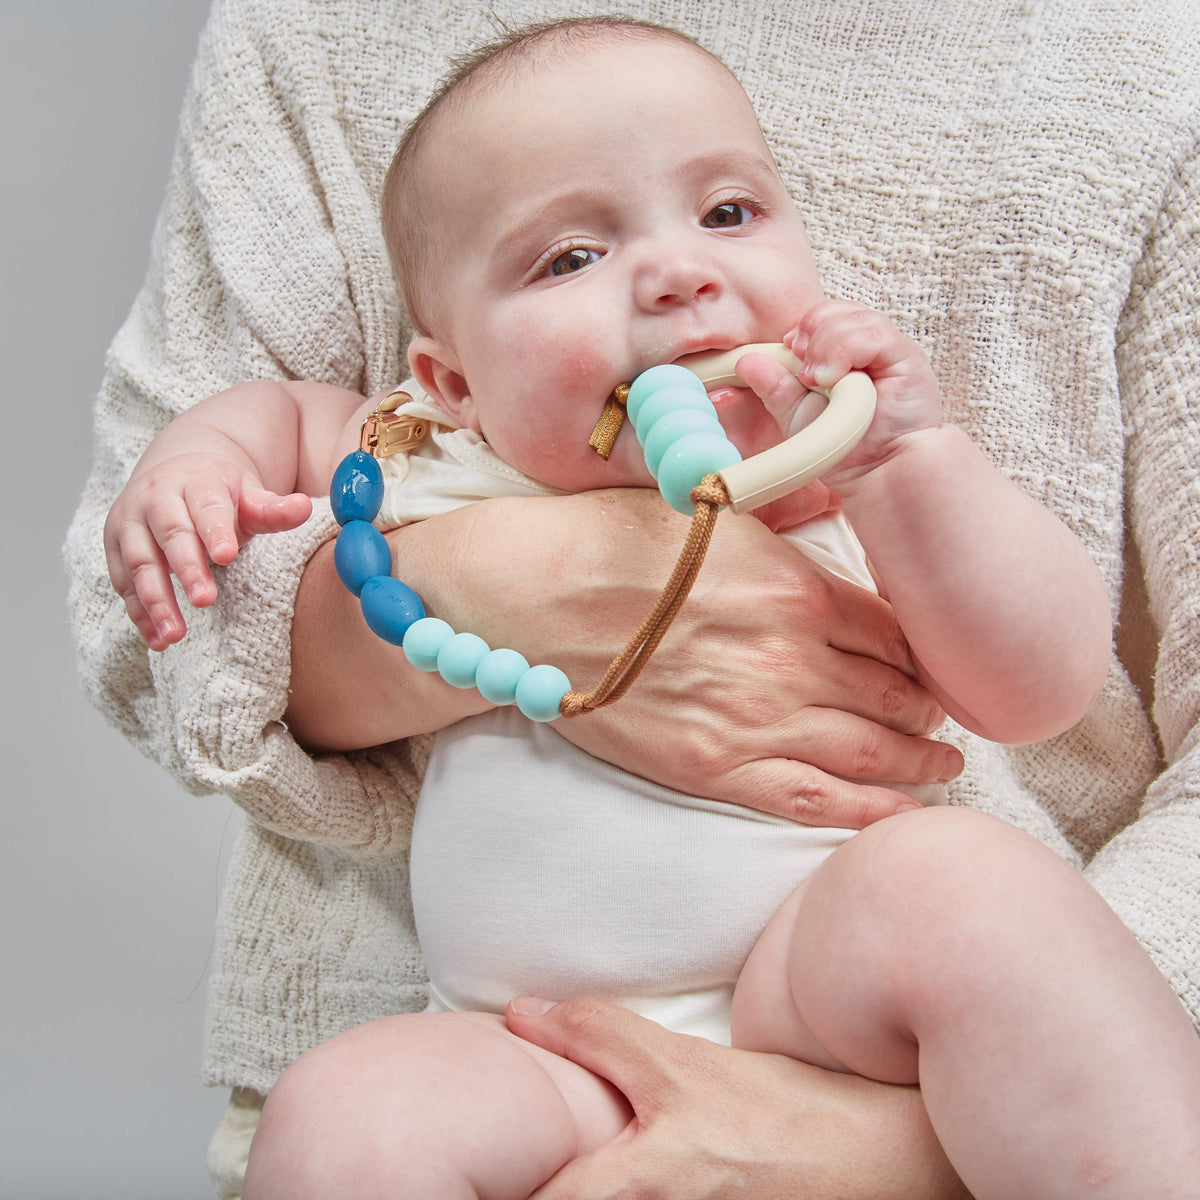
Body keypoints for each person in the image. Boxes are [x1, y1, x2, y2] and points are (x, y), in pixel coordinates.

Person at [64, 1, 1200, 1197]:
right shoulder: (446, 458)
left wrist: (918, 465)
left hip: (822, 1003)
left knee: (968, 889)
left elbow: (1041, 689)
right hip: (535, 1038)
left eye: (729, 214)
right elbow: (276, 414)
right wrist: (197, 466)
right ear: (455, 381)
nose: (678, 272)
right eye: (570, 258)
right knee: (346, 1112)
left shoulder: (835, 476)